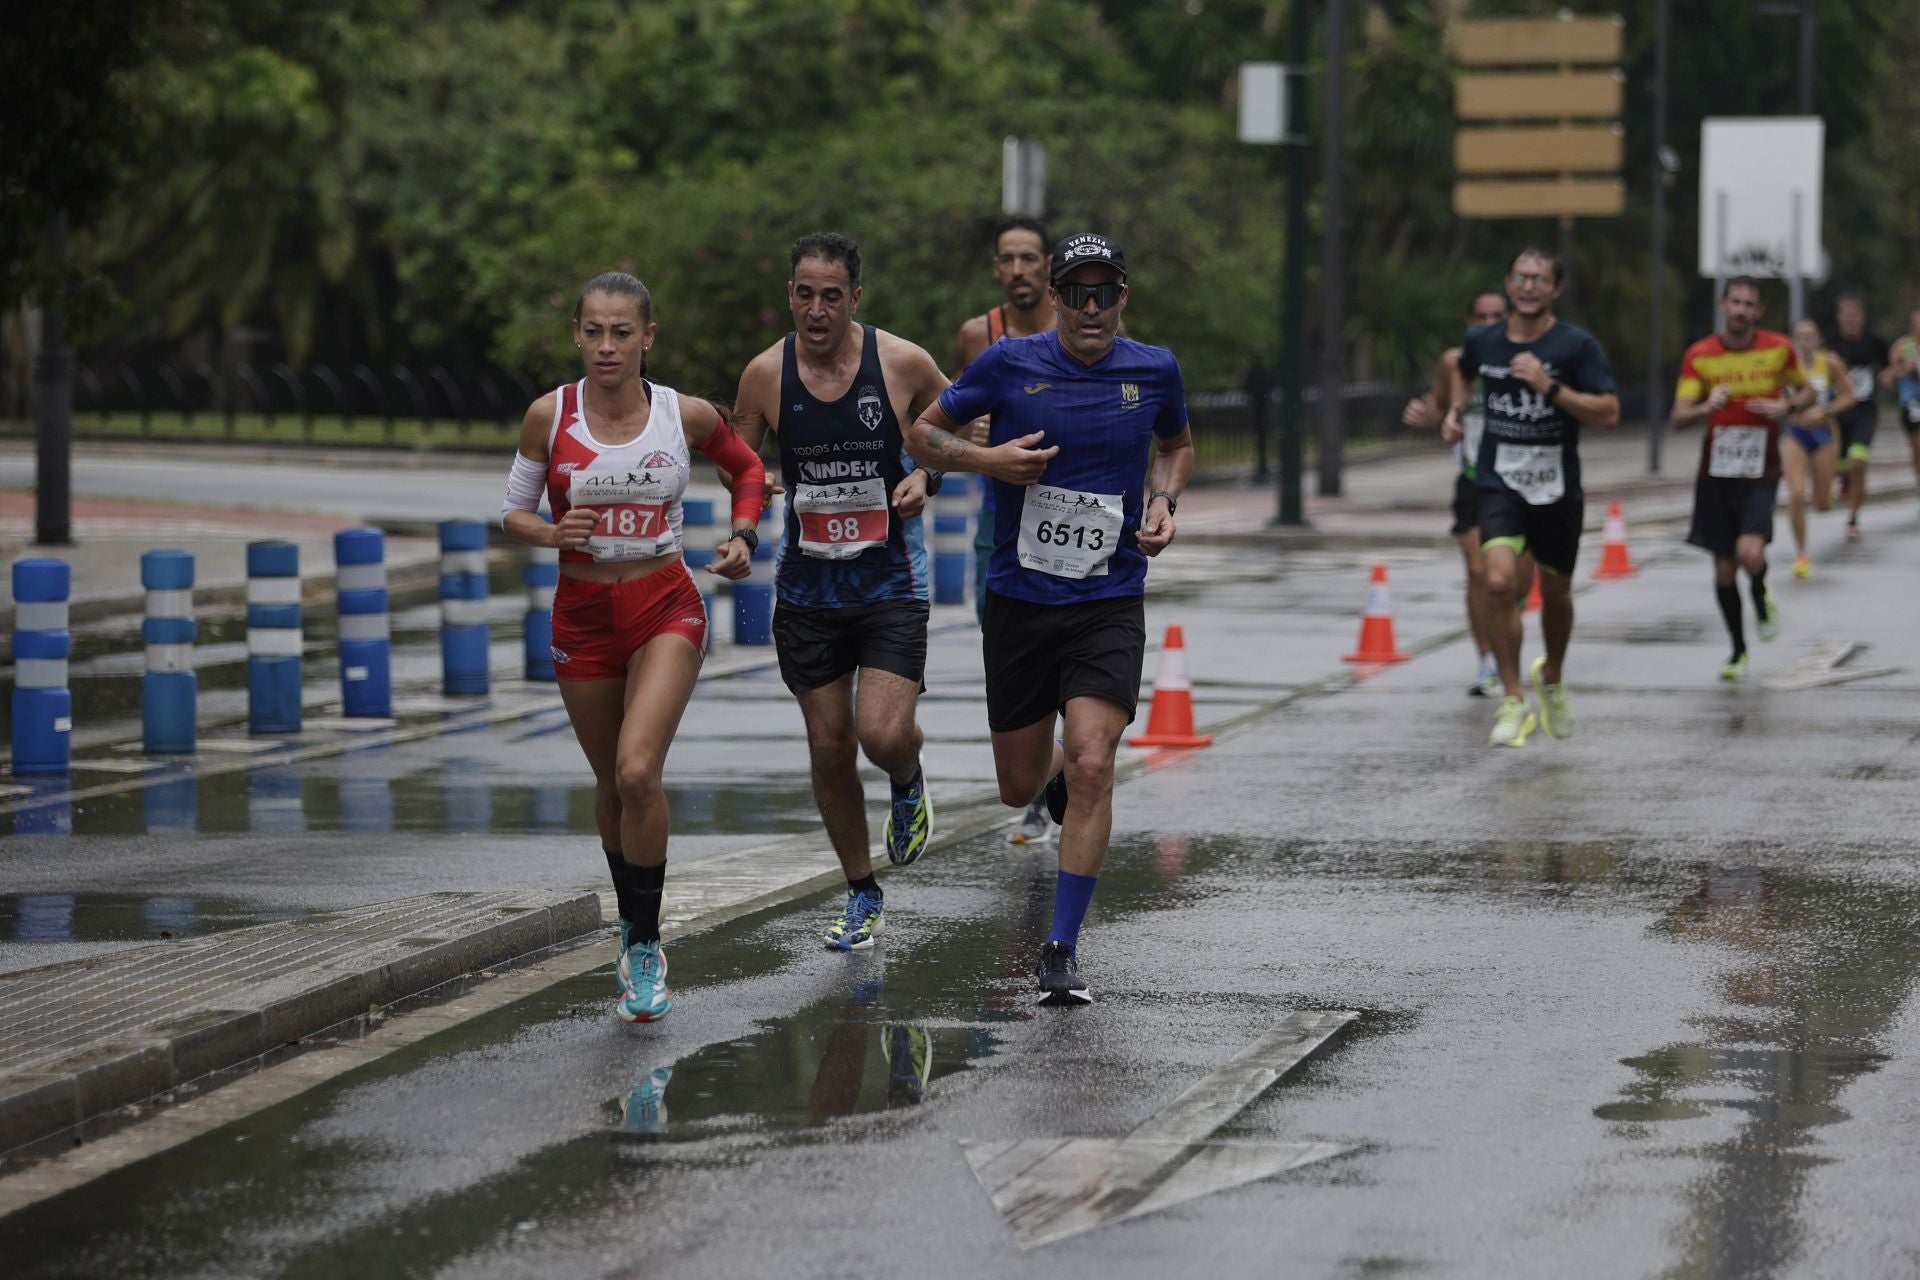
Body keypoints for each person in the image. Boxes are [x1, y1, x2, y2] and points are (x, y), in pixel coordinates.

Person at [907, 232, 1194, 1005]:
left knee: (1096, 760)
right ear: (1059, 297)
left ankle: (1060, 948)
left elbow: (1177, 447)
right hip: (1022, 601)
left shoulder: (1153, 367)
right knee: (1018, 784)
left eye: (1106, 292)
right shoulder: (1009, 362)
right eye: (1078, 291)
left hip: (1108, 599)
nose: (1091, 307)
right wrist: (989, 462)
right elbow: (923, 434)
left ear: (1123, 297)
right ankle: (1063, 779)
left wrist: (1164, 501)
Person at [500, 270, 767, 1023]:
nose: (607, 346)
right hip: (581, 616)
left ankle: (645, 948)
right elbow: (512, 514)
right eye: (594, 331)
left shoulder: (680, 416)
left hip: (665, 605)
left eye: (623, 332)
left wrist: (744, 533)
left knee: (638, 770)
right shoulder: (548, 416)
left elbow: (747, 467)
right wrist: (553, 532)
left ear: (648, 337)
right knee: (612, 788)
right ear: (577, 335)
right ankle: (630, 920)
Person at [732, 232, 949, 952]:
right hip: (807, 589)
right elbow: (741, 464)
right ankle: (861, 892)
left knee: (880, 733)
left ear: (856, 298)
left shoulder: (902, 361)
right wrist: (747, 514)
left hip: (890, 580)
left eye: (832, 295)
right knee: (829, 749)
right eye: (804, 293)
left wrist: (929, 476)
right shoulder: (765, 375)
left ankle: (909, 776)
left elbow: (966, 424)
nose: (817, 310)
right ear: (789, 296)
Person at [1445, 248, 1619, 747]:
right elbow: (1464, 367)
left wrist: (1551, 388)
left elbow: (1608, 412)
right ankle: (1514, 696)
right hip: (1499, 484)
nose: (1528, 287)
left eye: (1539, 279)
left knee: (1557, 594)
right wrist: (1457, 412)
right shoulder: (1483, 340)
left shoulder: (1576, 346)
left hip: (1557, 489)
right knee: (1498, 583)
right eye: (1520, 277)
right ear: (1508, 282)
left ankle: (1554, 679)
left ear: (1555, 289)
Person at [951, 215, 1061, 846]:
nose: (1019, 269)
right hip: (1001, 517)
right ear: (996, 269)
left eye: (1029, 257)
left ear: (1047, 265)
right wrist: (971, 437)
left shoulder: (1080, 326)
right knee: (1004, 641)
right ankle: (1046, 766)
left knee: (1066, 638)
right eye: (1007, 259)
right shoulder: (978, 336)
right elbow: (946, 417)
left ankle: (1061, 769)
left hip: (1070, 511)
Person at [1669, 277, 1809, 681]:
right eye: (1736, 302)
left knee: (1750, 553)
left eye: (1750, 304)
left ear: (1759, 311)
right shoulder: (1701, 355)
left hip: (1759, 470)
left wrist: (1785, 404)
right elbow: (1678, 417)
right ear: (1722, 304)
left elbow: (1808, 393)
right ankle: (1737, 650)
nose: (1742, 310)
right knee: (1725, 570)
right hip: (1716, 472)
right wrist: (1704, 407)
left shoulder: (1778, 349)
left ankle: (1762, 595)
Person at [1402, 287, 1510, 697]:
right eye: (1480, 318)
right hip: (1473, 479)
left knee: (1513, 581)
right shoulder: (1455, 363)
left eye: (1497, 317)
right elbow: (1439, 406)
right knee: (1479, 572)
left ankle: (1506, 639)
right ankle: (1487, 661)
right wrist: (1424, 414)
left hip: (1519, 481)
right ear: (1469, 323)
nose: (1488, 325)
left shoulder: (1524, 361)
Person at [1780, 318, 1854, 578]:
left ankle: (1833, 487)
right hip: (1796, 433)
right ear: (1793, 340)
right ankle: (1801, 555)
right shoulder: (1786, 365)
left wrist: (1828, 409)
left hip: (1824, 434)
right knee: (1797, 494)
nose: (1806, 340)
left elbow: (1849, 395)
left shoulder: (1830, 363)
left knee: (1821, 504)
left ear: (1818, 339)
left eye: (1810, 335)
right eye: (1800, 336)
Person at [1826, 294, 1888, 540]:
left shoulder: (1874, 342)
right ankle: (1844, 479)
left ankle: (1853, 519)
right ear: (1839, 317)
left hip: (1865, 410)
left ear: (1862, 317)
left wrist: (1889, 375)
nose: (1850, 319)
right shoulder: (1830, 342)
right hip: (1838, 410)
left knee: (1858, 463)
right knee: (1840, 465)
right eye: (1845, 314)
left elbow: (1887, 366)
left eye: (1855, 314)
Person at [1883, 306, 1920, 515]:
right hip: (1910, 405)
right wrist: (1901, 369)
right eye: (1916, 323)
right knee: (1917, 449)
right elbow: (1888, 377)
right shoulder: (1902, 346)